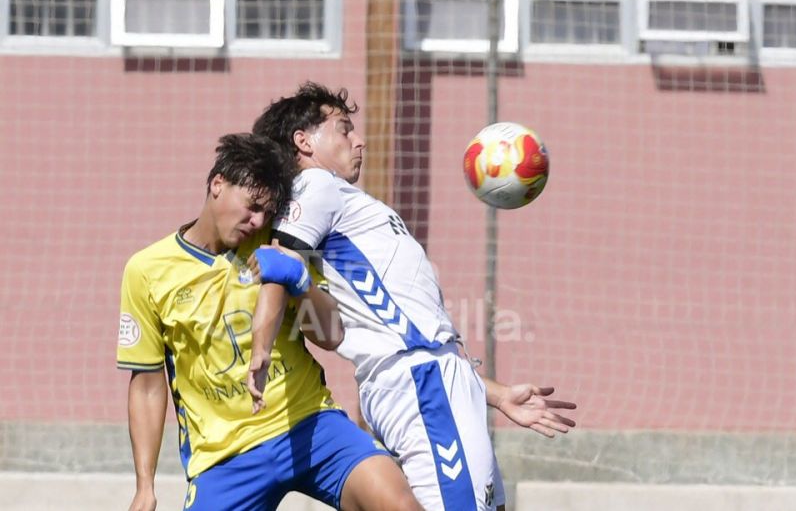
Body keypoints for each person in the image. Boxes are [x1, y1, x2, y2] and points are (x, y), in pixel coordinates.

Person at [249, 83, 576, 510]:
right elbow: (279, 262)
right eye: (344, 129)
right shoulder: (315, 185)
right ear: (303, 141)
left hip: (438, 379)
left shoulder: (345, 202)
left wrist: (492, 393)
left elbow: (409, 329)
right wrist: (261, 346)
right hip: (422, 386)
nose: (359, 139)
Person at [116, 132, 422, 511]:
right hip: (224, 457)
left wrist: (300, 279)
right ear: (217, 185)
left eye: (266, 210)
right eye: (251, 205)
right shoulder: (146, 271)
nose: (256, 219)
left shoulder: (277, 242)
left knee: (399, 504)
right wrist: (144, 485)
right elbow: (147, 384)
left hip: (309, 425)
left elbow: (331, 334)